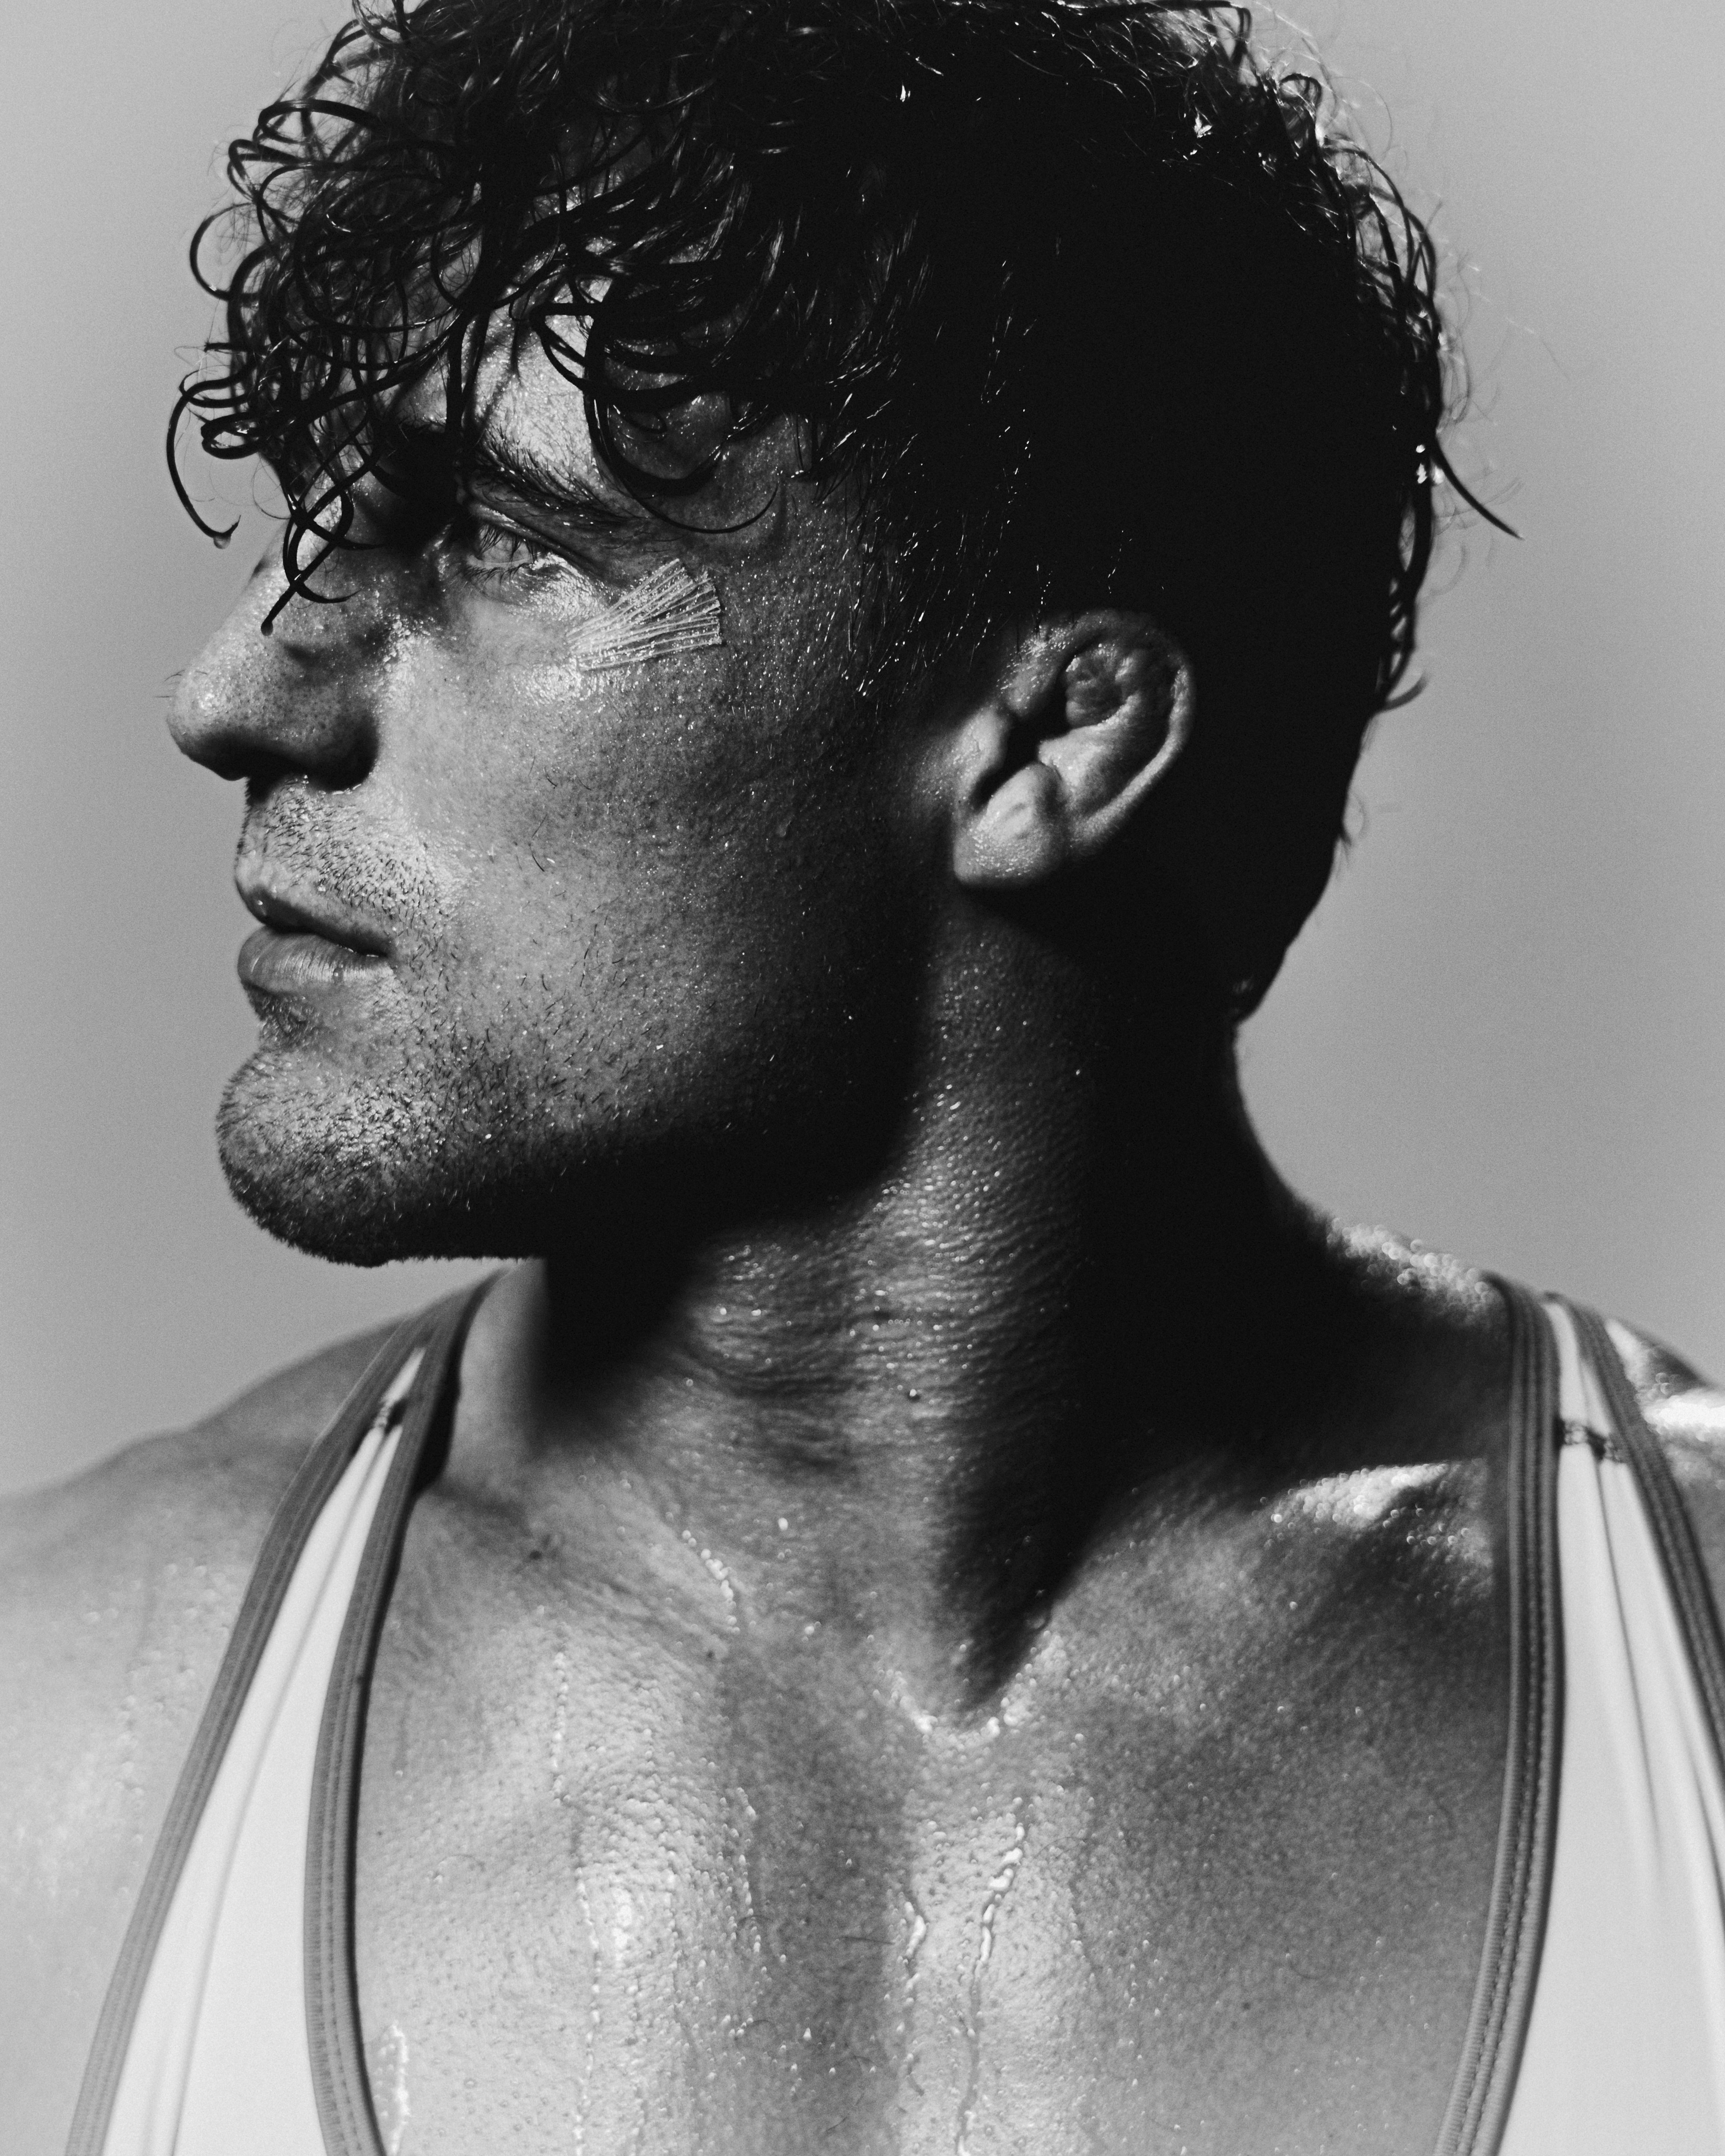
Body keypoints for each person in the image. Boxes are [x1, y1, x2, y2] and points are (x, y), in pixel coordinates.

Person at [4, 2, 1723, 2151]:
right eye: (314, 526)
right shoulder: (59, 1734)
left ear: (1045, 742)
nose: (232, 689)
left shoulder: (1686, 1681)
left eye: (500, 536)